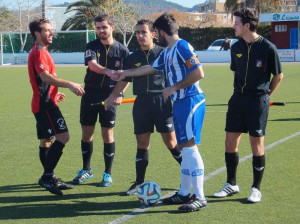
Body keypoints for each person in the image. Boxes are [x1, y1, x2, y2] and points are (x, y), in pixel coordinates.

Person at [110, 13, 207, 212]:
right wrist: (125, 73)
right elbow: (149, 69)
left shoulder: (182, 46)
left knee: (189, 147)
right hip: (179, 102)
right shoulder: (167, 52)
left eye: (156, 32)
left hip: (190, 100)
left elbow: (199, 72)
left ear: (160, 32)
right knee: (183, 146)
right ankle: (183, 192)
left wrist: (174, 87)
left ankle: (200, 196)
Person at [213, 8, 283, 203]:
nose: (233, 26)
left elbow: (278, 76)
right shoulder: (235, 47)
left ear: (246, 25)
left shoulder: (268, 48)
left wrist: (266, 95)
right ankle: (231, 184)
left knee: (256, 143)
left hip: (258, 101)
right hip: (237, 100)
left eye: (236, 23)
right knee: (230, 142)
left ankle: (255, 188)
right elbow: (235, 73)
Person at [104, 19, 182, 195]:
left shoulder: (164, 52)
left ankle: (188, 176)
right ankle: (139, 183)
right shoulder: (132, 57)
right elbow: (125, 79)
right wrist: (114, 95)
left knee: (171, 142)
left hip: (162, 103)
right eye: (137, 32)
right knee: (142, 143)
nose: (140, 36)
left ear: (153, 34)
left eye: (143, 32)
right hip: (141, 104)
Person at [28, 18, 85, 195]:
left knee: (46, 140)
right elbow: (44, 77)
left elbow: (43, 80)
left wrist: (54, 91)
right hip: (45, 105)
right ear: (37, 34)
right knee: (63, 137)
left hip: (45, 101)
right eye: (47, 30)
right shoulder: (38, 52)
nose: (51, 33)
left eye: (51, 30)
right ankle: (47, 176)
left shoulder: (43, 50)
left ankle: (49, 176)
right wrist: (69, 84)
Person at [72, 14, 129, 187]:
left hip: (109, 97)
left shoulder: (122, 50)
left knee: (107, 135)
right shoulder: (91, 46)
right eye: (97, 28)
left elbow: (125, 77)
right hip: (89, 94)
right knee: (87, 134)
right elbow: (92, 65)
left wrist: (119, 94)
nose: (100, 31)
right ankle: (86, 170)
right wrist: (107, 71)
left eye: (103, 27)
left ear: (112, 27)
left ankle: (107, 174)